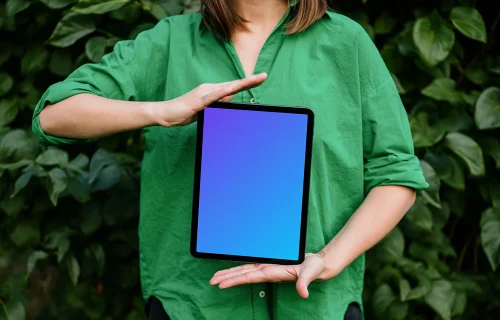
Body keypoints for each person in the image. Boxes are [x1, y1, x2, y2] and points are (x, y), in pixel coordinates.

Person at [32, 0, 428, 319]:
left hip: (318, 306)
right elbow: (54, 114)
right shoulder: (169, 43)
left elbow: (396, 174)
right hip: (191, 306)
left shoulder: (347, 43)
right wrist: (164, 111)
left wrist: (328, 259)